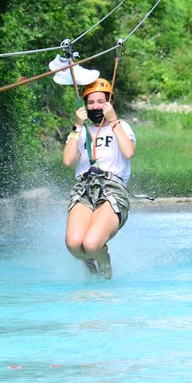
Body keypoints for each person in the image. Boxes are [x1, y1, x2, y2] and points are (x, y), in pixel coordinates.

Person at [63, 78, 136, 279]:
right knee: (74, 244)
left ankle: (105, 270)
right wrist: (77, 127)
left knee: (92, 244)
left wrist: (113, 121)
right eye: (91, 102)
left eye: (100, 101)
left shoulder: (122, 126)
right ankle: (92, 272)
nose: (95, 106)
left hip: (111, 188)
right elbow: (68, 161)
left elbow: (129, 152)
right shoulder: (81, 131)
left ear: (110, 102)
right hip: (84, 189)